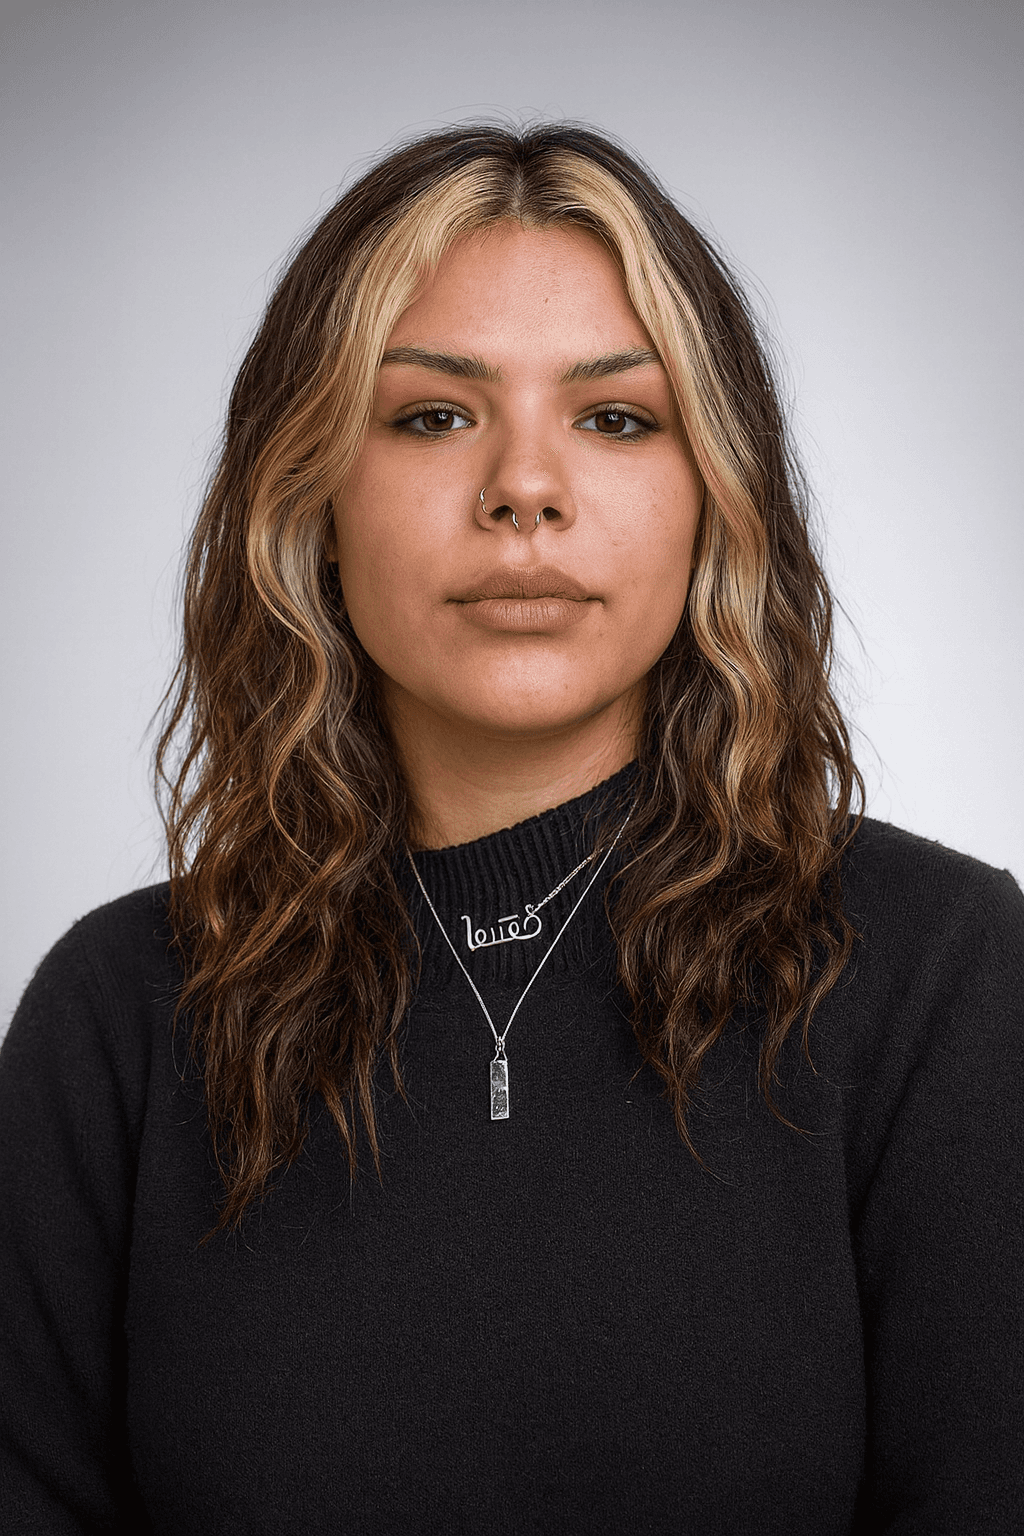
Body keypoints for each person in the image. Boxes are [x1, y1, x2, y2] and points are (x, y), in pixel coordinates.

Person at [1, 123, 1021, 1535]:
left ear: (713, 498)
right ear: (310, 500)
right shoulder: (115, 1021)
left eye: (615, 418)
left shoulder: (941, 977)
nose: (522, 491)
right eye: (431, 415)